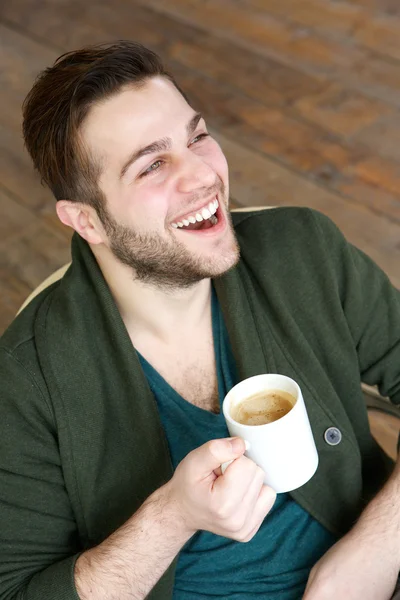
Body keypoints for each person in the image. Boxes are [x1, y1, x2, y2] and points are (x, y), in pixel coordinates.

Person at [0, 40, 400, 600]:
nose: (203, 175)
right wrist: (171, 517)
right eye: (154, 164)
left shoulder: (303, 252)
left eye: (198, 137)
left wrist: (368, 558)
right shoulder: (28, 379)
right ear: (86, 220)